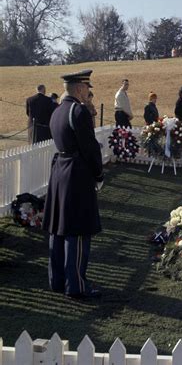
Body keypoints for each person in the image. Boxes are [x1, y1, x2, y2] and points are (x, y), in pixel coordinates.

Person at [42, 69, 104, 299]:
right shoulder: (78, 111)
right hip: (76, 173)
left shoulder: (57, 111)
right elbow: (90, 148)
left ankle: (57, 280)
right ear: (79, 88)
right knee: (77, 230)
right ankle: (76, 284)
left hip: (60, 171)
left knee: (59, 228)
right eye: (87, 88)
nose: (89, 92)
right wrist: (98, 174)